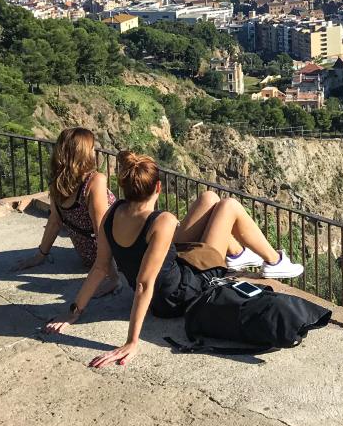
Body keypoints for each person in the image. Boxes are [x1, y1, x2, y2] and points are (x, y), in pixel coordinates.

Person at [44, 150, 303, 367]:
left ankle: (235, 255)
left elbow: (100, 267)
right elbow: (145, 284)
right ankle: (273, 261)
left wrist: (73, 312)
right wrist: (132, 341)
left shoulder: (112, 215)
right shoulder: (162, 220)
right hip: (178, 295)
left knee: (209, 198)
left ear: (124, 188)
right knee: (228, 206)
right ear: (158, 187)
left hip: (170, 275)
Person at [17, 127, 119, 297]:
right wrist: (114, 278)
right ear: (84, 153)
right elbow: (101, 231)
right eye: (92, 148)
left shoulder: (58, 183)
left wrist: (40, 256)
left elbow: (55, 222)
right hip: (113, 255)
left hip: (87, 254)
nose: (95, 151)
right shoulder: (95, 181)